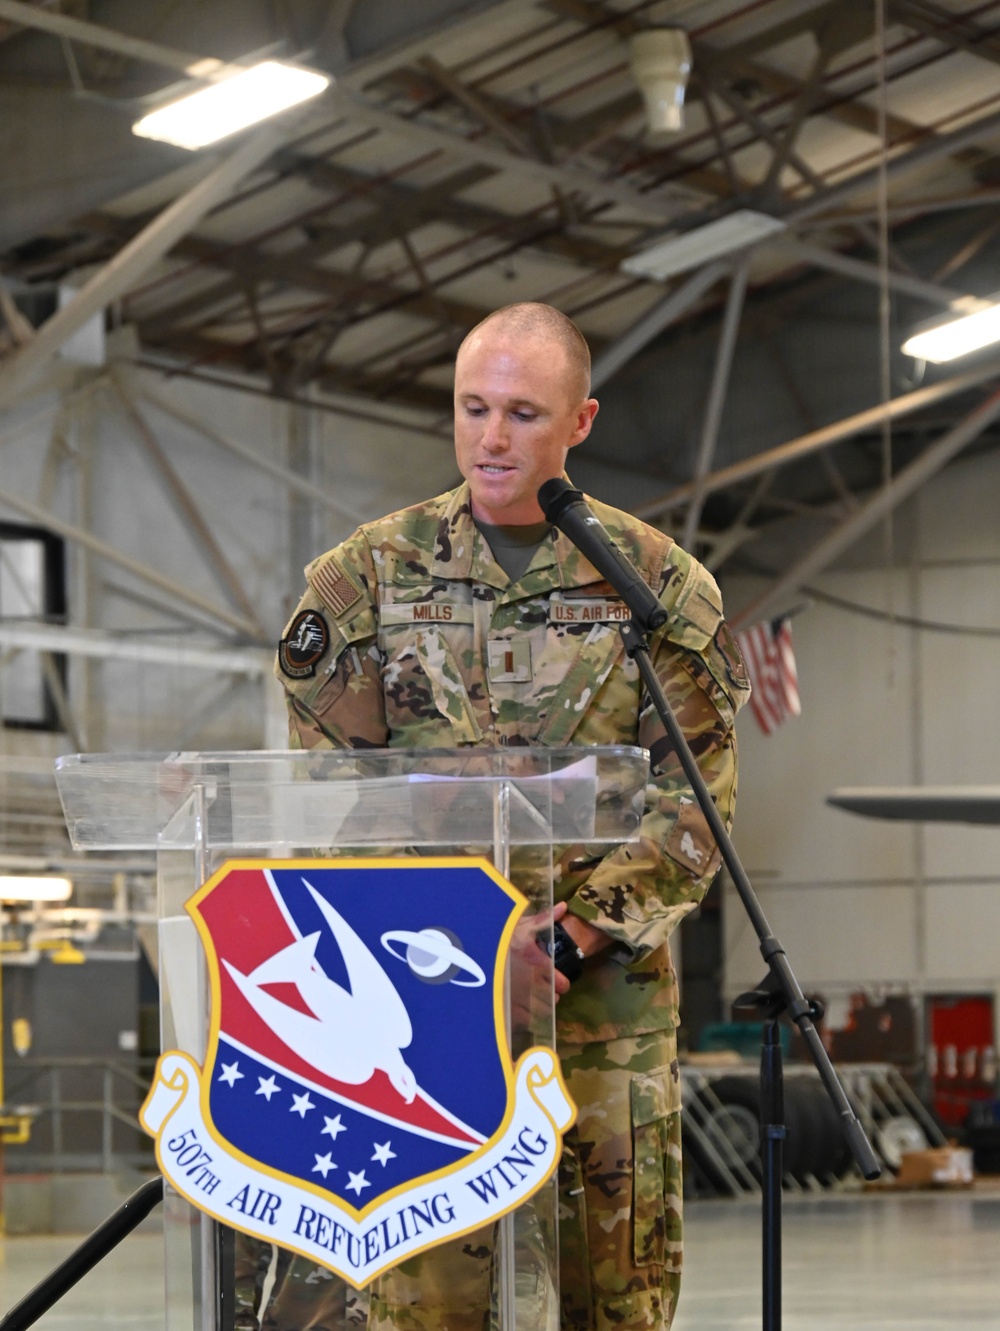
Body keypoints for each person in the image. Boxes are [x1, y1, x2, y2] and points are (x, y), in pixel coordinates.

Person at [257, 302, 749, 1331]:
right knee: (425, 1300)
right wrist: (462, 941)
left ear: (580, 421)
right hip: (420, 1015)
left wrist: (566, 938)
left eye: (523, 412)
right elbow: (334, 807)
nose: (491, 437)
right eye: (472, 407)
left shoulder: (653, 587)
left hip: (602, 1013)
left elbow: (693, 814)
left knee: (612, 1299)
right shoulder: (367, 580)